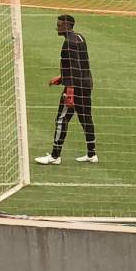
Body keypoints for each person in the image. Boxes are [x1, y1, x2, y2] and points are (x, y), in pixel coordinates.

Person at [36, 12, 96, 166]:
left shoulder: (68, 43)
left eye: (59, 25)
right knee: (86, 118)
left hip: (75, 87)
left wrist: (69, 90)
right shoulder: (80, 37)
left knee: (61, 119)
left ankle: (55, 156)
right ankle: (92, 154)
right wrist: (61, 77)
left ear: (67, 25)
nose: (57, 28)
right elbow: (80, 64)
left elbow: (74, 67)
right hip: (86, 84)